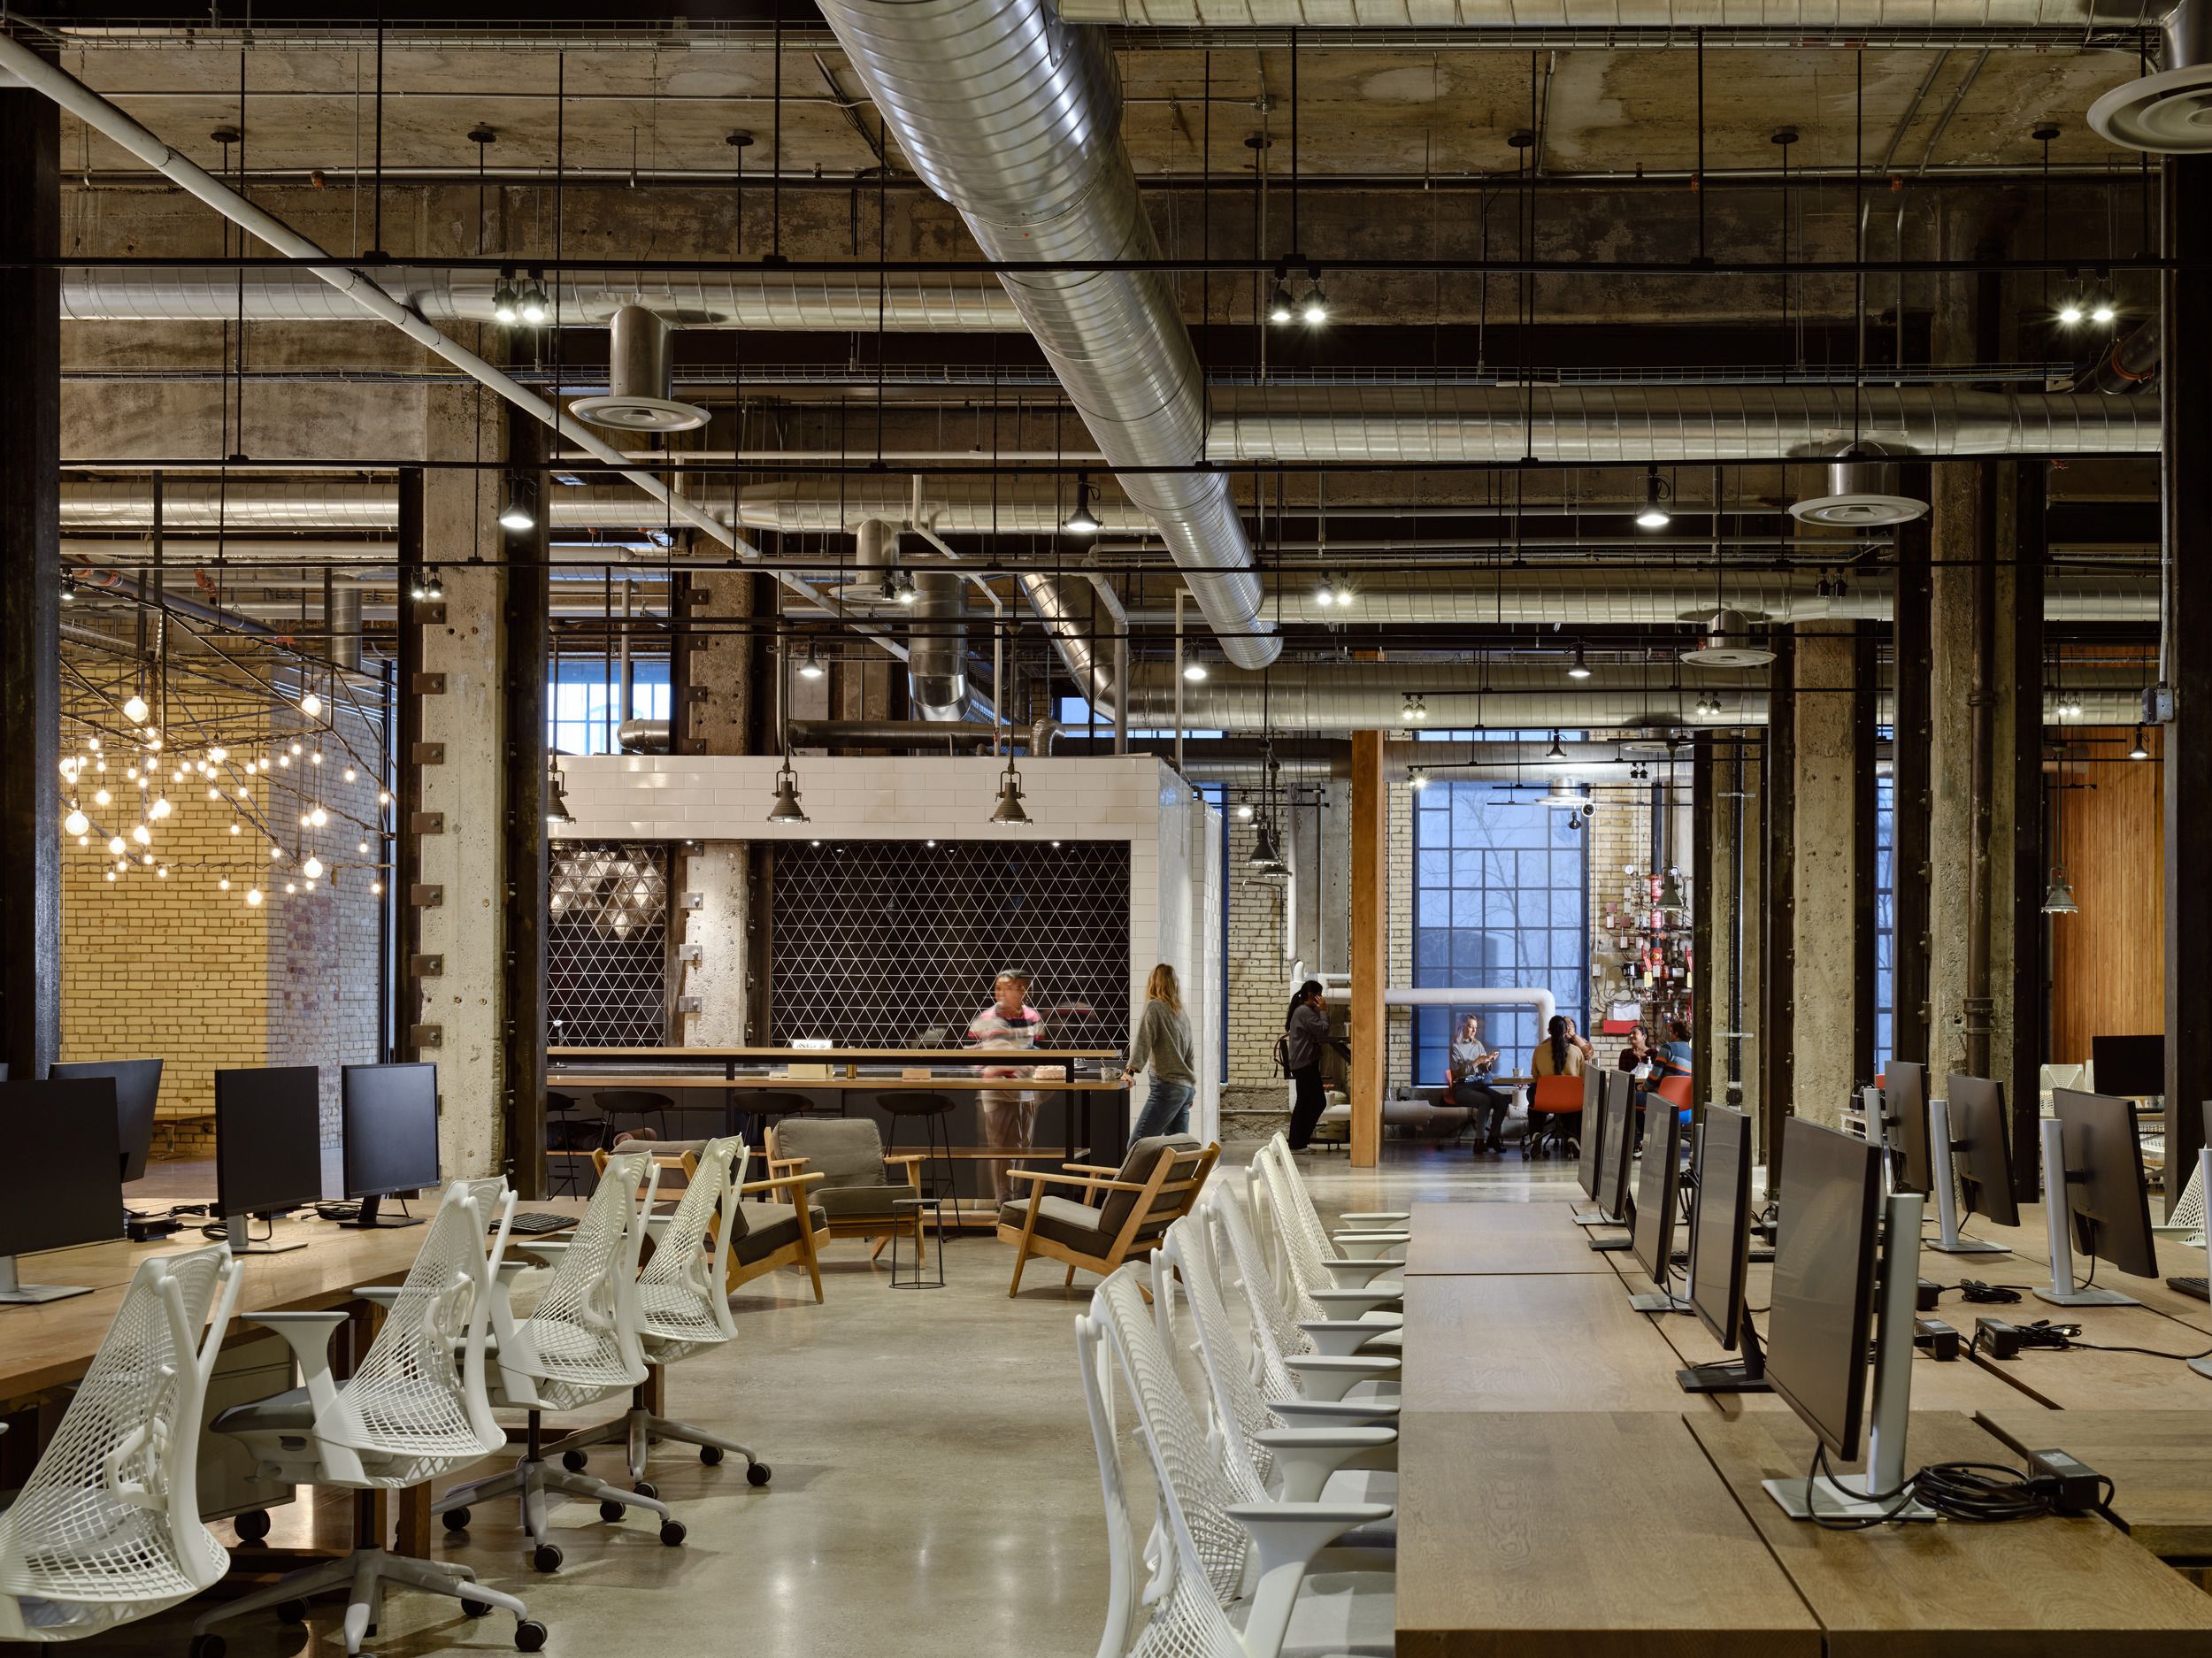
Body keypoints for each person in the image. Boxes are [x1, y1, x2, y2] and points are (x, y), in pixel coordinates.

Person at [968, 970, 1044, 1205]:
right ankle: (1004, 1202)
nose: (1024, 992)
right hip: (997, 1092)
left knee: (1022, 1147)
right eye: (1017, 987)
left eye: (1025, 987)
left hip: (1026, 1091)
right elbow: (998, 1055)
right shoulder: (988, 1018)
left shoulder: (1033, 1016)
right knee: (1003, 1149)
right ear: (999, 990)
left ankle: (1017, 1201)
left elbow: (1036, 1049)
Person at [1124, 963, 1197, 1140]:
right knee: (1177, 1149)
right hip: (1185, 1089)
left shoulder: (1154, 1006)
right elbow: (1190, 1054)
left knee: (1137, 1144)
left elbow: (1144, 1039)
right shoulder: (1181, 1012)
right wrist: (1191, 1088)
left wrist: (1129, 1071)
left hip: (1166, 1085)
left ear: (1153, 983)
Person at [1446, 1011, 1511, 1154]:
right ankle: (1479, 1141)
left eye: (1475, 1027)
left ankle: (1493, 1138)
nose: (1474, 1030)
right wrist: (1476, 1062)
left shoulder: (1478, 1044)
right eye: (1470, 1026)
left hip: (1478, 1085)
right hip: (1462, 1088)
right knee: (1485, 1100)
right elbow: (1458, 1073)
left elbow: (1484, 1070)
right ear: (1462, 1027)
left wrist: (1488, 1062)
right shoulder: (1455, 1047)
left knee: (1502, 1101)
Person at [1282, 979, 1332, 1151]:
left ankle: (1299, 1142)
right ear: (1312, 995)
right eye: (1319, 994)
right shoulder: (1304, 1011)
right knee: (1315, 1102)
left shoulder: (1303, 1010)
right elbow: (1323, 1029)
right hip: (1305, 1063)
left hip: (1303, 1063)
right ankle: (1298, 1142)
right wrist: (1323, 1011)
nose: (1321, 998)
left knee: (1307, 1101)